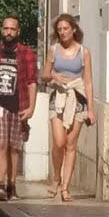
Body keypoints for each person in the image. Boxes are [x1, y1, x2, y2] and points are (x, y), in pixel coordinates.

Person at [0, 15, 38, 202]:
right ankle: (0, 185)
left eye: (12, 29)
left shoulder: (27, 53)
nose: (8, 32)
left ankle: (12, 186)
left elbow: (32, 82)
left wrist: (32, 108)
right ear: (1, 30)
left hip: (19, 104)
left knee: (14, 148)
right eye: (5, 29)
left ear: (18, 31)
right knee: (1, 142)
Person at [40, 13, 95, 201]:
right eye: (59, 29)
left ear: (73, 30)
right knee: (59, 141)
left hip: (77, 99)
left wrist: (91, 109)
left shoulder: (83, 52)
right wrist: (55, 76)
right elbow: (44, 75)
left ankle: (65, 187)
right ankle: (56, 176)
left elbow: (88, 82)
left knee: (71, 145)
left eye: (66, 28)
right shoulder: (53, 50)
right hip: (59, 97)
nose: (62, 32)